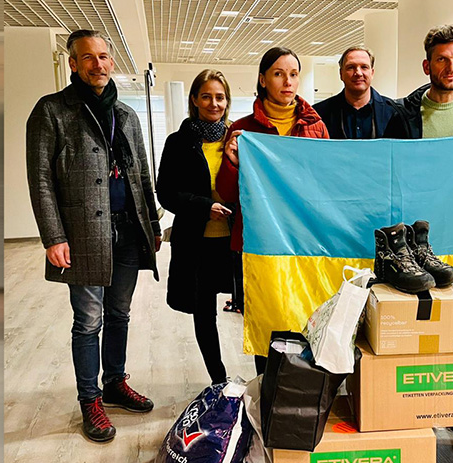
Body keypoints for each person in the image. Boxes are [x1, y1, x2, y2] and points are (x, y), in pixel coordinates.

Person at [26, 30, 161, 443]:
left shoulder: (127, 114)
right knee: (88, 320)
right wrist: (53, 236)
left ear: (112, 61)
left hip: (128, 229)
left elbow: (141, 174)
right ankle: (90, 399)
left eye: (103, 56)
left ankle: (115, 382)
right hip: (83, 233)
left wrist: (153, 226)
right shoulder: (52, 111)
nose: (97, 64)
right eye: (88, 57)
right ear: (73, 63)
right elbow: (41, 179)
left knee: (120, 313)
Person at [215, 46, 329, 375]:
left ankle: (303, 390)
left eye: (293, 74)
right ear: (263, 80)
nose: (287, 81)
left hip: (304, 242)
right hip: (259, 242)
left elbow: (326, 185)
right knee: (267, 324)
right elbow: (228, 193)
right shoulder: (243, 129)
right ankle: (267, 390)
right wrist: (232, 162)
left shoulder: (316, 126)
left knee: (306, 318)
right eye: (279, 74)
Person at [156, 70, 238, 385]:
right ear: (194, 100)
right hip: (197, 243)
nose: (214, 103)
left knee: (251, 306)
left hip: (236, 243)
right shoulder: (178, 142)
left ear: (227, 101)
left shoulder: (239, 139)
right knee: (204, 313)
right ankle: (219, 380)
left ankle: (262, 379)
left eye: (219, 97)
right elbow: (166, 192)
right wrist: (204, 206)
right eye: (206, 96)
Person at [312, 46, 399, 139]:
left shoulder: (394, 113)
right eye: (351, 67)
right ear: (341, 74)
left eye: (364, 67)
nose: (358, 73)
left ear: (372, 73)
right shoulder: (318, 114)